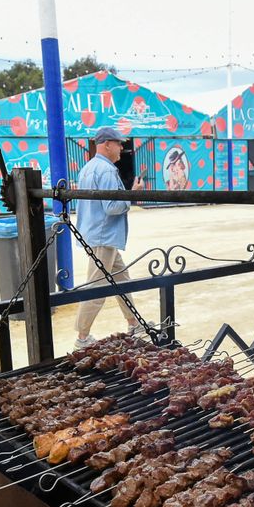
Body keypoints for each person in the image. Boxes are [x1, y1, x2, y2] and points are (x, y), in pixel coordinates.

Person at [72, 127, 143, 348]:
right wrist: (132, 195)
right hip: (103, 236)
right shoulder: (107, 171)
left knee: (121, 278)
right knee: (96, 288)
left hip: (96, 235)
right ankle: (82, 338)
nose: (122, 148)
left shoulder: (88, 168)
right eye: (119, 143)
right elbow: (111, 207)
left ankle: (134, 323)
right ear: (106, 144)